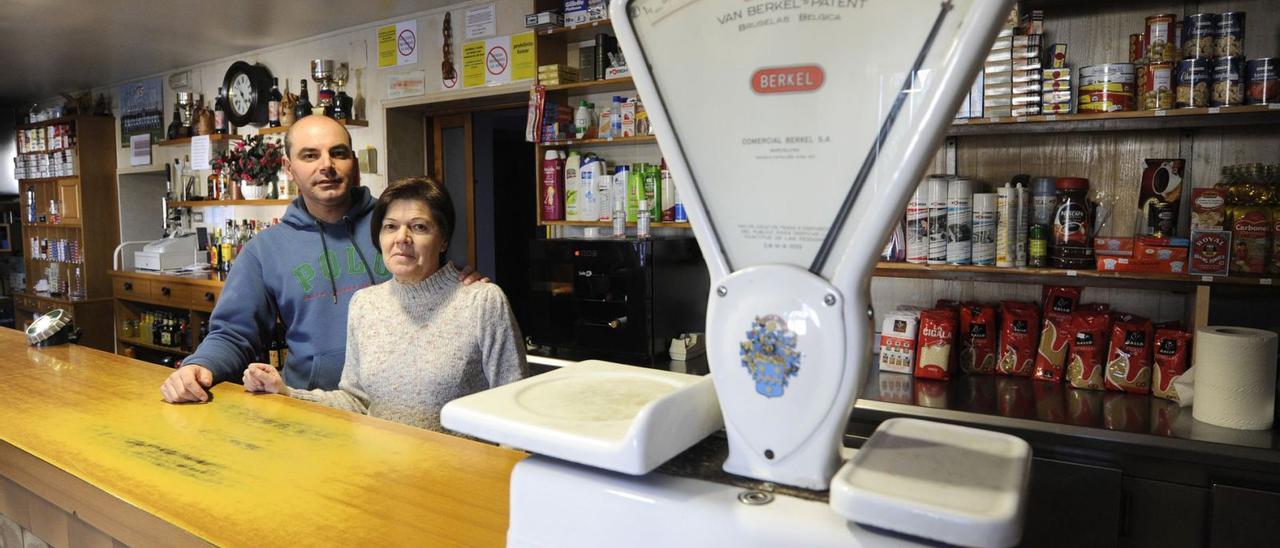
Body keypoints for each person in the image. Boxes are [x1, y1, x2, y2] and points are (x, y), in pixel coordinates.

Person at [161, 116, 484, 403]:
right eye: (310, 155)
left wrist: (466, 287)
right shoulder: (265, 250)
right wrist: (198, 366)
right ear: (289, 168)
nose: (326, 165)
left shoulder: (394, 227)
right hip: (313, 405)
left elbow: (441, 287)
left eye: (338, 153)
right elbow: (233, 333)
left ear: (353, 163)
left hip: (406, 404)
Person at [242, 177, 527, 432]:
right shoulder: (365, 304)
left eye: (419, 227)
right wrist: (287, 393)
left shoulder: (482, 302)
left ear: (443, 240)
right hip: (379, 471)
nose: (402, 238)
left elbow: (513, 409)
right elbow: (355, 400)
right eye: (391, 227)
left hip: (455, 479)